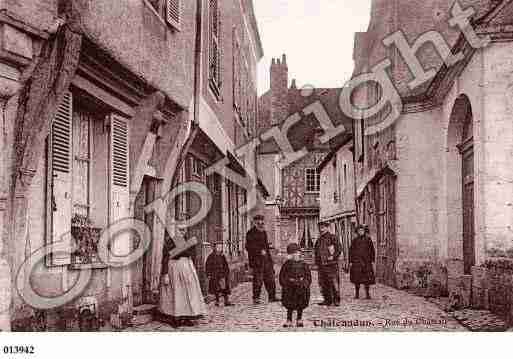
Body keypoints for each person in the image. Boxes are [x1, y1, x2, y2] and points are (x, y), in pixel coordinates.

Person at [158, 226, 207, 327]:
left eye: (184, 230)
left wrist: (192, 271)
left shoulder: (189, 242)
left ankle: (186, 317)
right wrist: (165, 274)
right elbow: (166, 258)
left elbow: (192, 256)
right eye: (180, 230)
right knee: (176, 294)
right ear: (176, 230)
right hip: (174, 269)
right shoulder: (170, 242)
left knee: (188, 294)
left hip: (187, 269)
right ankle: (175, 318)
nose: (182, 232)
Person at [245, 214, 279, 304]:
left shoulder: (264, 232)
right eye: (258, 221)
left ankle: (272, 296)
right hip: (257, 261)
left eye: (262, 221)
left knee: (270, 278)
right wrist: (259, 251)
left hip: (266, 260)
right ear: (254, 222)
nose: (260, 223)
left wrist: (270, 260)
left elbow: (266, 247)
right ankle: (256, 298)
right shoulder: (250, 233)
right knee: (258, 280)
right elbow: (248, 247)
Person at [279, 243, 311, 328]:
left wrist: (305, 284)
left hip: (300, 287)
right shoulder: (287, 264)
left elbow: (308, 276)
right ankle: (289, 319)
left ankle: (299, 319)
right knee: (290, 304)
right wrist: (285, 284)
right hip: (290, 287)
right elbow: (282, 276)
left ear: (299, 253)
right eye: (293, 253)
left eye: (297, 253)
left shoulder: (304, 264)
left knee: (300, 304)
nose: (295, 255)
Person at [314, 220, 342, 306]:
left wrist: (333, 257)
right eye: (320, 227)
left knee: (333, 282)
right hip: (321, 265)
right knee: (323, 283)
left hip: (331, 264)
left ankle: (336, 300)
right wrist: (317, 263)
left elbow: (339, 249)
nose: (321, 229)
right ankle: (327, 300)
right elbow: (316, 252)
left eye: (323, 227)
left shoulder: (333, 237)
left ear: (327, 227)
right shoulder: (319, 240)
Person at [349, 224, 376, 299]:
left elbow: (372, 250)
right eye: (359, 231)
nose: (361, 232)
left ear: (364, 231)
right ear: (357, 232)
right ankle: (357, 294)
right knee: (356, 279)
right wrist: (351, 261)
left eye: (362, 230)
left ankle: (367, 294)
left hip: (366, 262)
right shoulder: (354, 240)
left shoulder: (368, 239)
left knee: (367, 279)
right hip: (357, 262)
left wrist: (372, 260)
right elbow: (351, 251)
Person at [205, 242, 233, 307]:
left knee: (224, 288)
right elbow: (207, 265)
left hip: (222, 275)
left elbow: (225, 265)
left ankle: (226, 300)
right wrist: (208, 273)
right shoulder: (211, 256)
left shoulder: (222, 256)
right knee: (216, 289)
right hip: (215, 275)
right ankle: (217, 301)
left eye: (220, 247)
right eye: (217, 247)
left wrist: (227, 272)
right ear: (214, 248)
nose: (218, 249)